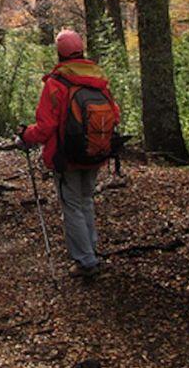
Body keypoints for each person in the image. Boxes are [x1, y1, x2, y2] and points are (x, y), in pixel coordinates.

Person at [16, 29, 120, 278]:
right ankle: (89, 251)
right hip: (95, 152)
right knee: (85, 201)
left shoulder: (56, 83)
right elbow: (114, 115)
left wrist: (25, 135)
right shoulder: (98, 80)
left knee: (72, 205)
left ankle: (86, 261)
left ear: (59, 53)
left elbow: (45, 127)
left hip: (67, 156)